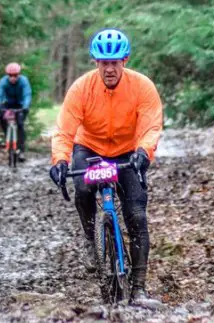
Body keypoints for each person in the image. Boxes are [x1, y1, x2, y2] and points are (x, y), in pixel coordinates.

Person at [48, 29, 163, 308]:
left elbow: (151, 126)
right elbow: (64, 131)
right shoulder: (81, 88)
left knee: (137, 216)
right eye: (103, 62)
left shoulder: (142, 86)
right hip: (89, 149)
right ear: (95, 62)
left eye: (114, 62)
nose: (109, 68)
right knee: (83, 189)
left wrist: (143, 152)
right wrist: (60, 161)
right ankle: (92, 240)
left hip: (127, 151)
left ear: (125, 60)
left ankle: (139, 289)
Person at [0, 62, 32, 153]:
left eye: (15, 75)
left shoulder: (24, 81)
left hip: (20, 105)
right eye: (10, 75)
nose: (12, 78)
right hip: (8, 104)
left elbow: (27, 95)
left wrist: (26, 106)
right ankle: (7, 134)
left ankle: (21, 150)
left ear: (19, 74)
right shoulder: (3, 81)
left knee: (20, 124)